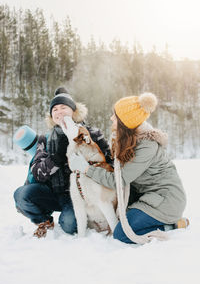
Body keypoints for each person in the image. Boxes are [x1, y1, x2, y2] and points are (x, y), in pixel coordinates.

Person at [68, 92, 189, 244]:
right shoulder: (125, 140)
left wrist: (87, 169)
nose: (111, 118)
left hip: (166, 200)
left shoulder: (146, 146)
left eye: (115, 116)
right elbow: (115, 167)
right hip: (148, 196)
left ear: (125, 123)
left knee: (122, 233)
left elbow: (118, 180)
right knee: (120, 218)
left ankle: (171, 225)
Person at [13, 87, 112, 238]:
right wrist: (55, 159)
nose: (59, 112)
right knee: (22, 195)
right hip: (53, 192)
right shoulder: (45, 139)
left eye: (64, 108)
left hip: (81, 193)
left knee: (69, 225)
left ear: (74, 111)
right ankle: (44, 221)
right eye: (55, 109)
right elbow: (37, 173)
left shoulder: (91, 134)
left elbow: (108, 161)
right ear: (51, 116)